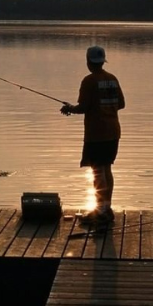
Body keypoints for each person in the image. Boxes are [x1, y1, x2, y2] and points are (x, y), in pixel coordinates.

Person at [60, 45, 125, 224]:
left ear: (88, 62)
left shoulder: (88, 81)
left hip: (97, 133)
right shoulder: (112, 79)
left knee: (97, 171)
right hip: (113, 131)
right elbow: (121, 104)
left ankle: (101, 210)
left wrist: (69, 108)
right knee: (107, 169)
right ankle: (106, 207)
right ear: (103, 61)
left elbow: (83, 107)